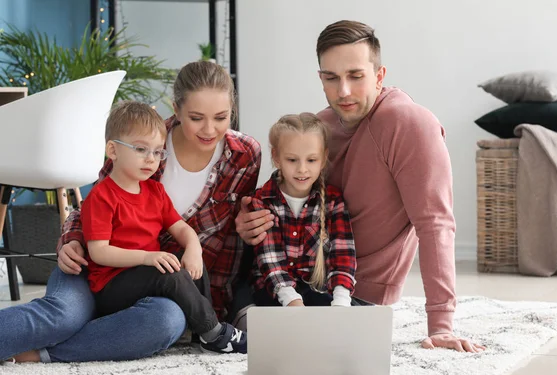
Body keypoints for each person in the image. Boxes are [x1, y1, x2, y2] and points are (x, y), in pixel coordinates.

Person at [235, 20, 485, 352]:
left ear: (380, 75)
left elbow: (435, 223)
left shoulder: (410, 124)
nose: (344, 92)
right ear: (320, 78)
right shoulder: (319, 126)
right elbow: (278, 195)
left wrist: (441, 325)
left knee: (304, 345)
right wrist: (247, 221)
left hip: (350, 289)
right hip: (287, 273)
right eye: (331, 78)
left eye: (356, 76)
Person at [1, 60, 260, 363]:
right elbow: (97, 204)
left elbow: (227, 240)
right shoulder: (141, 140)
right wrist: (71, 239)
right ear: (176, 110)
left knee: (166, 321)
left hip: (161, 287)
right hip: (94, 268)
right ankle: (90, 331)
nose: (209, 129)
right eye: (196, 117)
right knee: (65, 316)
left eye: (221, 117)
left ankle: (44, 352)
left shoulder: (244, 156)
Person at [81, 101, 246, 354]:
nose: (151, 159)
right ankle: (214, 332)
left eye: (158, 152)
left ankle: (200, 333)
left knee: (191, 262)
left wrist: (193, 248)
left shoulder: (154, 191)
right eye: (140, 149)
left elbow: (181, 228)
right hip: (110, 286)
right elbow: (99, 252)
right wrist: (148, 257)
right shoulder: (102, 196)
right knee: (167, 271)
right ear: (113, 150)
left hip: (145, 276)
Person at [250, 113, 356, 308]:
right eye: (292, 160)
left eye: (311, 160)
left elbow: (343, 253)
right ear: (276, 157)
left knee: (349, 320)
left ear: (323, 159)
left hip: (316, 289)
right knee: (270, 325)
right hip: (273, 290)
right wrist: (291, 299)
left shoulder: (333, 201)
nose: (302, 169)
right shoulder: (263, 200)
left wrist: (341, 300)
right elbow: (269, 258)